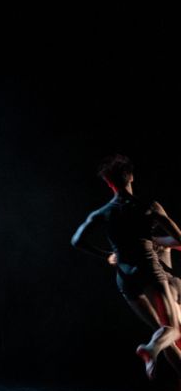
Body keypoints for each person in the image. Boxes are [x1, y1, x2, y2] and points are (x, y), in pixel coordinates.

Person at [71, 154, 181, 378]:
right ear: (131, 177)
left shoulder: (104, 212)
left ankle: (154, 352)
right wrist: (158, 237)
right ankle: (150, 349)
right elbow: (179, 237)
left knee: (161, 331)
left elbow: (76, 240)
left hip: (125, 277)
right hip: (149, 270)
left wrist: (106, 255)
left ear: (109, 183)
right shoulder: (149, 207)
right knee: (171, 330)